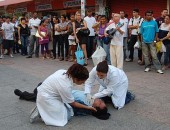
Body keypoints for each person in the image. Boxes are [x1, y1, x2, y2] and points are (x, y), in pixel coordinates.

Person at [28, 64, 96, 127]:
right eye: (83, 81)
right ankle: (39, 111)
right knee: (67, 116)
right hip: (46, 98)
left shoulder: (63, 71)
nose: (83, 83)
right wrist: (88, 107)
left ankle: (42, 108)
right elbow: (73, 103)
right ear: (76, 79)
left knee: (67, 109)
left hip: (45, 92)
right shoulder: (65, 86)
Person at [14, 86, 110, 120]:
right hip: (65, 91)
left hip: (60, 96)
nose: (101, 101)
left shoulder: (85, 107)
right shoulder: (93, 99)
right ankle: (36, 91)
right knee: (39, 89)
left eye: (100, 104)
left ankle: (23, 94)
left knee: (39, 95)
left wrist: (87, 109)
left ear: (95, 108)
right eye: (102, 102)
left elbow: (73, 106)